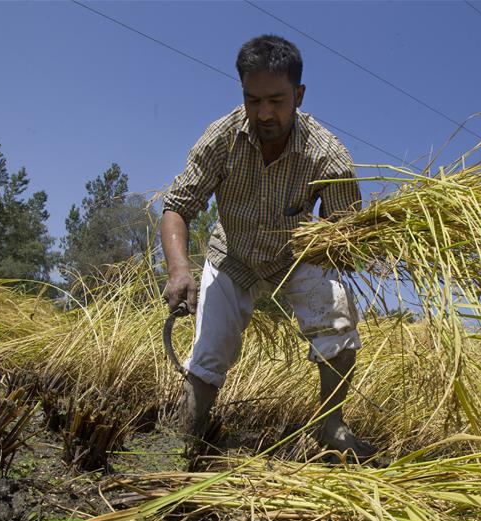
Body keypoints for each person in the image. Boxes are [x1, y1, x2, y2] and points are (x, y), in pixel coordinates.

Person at [160, 34, 375, 461]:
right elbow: (177, 207)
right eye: (252, 99)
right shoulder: (222, 138)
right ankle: (187, 438)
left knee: (337, 321)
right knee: (209, 350)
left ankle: (330, 426)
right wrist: (179, 270)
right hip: (231, 255)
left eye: (276, 100)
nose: (264, 113)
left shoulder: (327, 155)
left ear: (298, 94)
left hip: (292, 258)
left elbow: (342, 234)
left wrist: (349, 239)